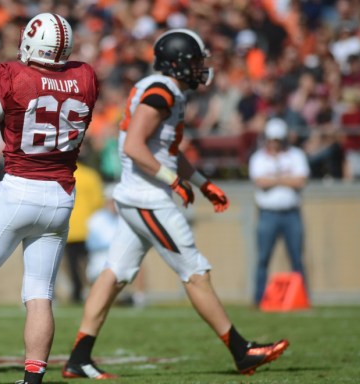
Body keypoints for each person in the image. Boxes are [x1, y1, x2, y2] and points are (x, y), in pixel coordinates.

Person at [62, 29, 289, 380]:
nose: (201, 68)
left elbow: (164, 149)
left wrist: (203, 183)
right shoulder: (160, 92)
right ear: (178, 64)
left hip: (139, 196)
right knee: (195, 271)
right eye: (196, 62)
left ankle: (78, 358)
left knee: (114, 274)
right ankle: (242, 351)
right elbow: (135, 147)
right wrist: (173, 182)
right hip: (147, 199)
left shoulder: (167, 91)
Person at [0, 13, 99, 384]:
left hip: (19, 188)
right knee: (40, 292)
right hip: (61, 196)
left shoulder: (16, 75)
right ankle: (33, 378)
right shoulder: (85, 76)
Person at [248, 117, 309, 306]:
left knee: (297, 258)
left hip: (291, 213)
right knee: (263, 258)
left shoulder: (296, 155)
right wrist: (285, 179)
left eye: (278, 140)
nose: (274, 144)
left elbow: (300, 181)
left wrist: (274, 179)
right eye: (272, 139)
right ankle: (258, 298)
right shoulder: (258, 157)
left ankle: (303, 298)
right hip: (268, 214)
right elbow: (260, 182)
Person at [63, 161, 104, 304]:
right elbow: (98, 202)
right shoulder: (90, 175)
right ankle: (91, 289)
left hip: (69, 226)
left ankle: (77, 291)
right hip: (88, 227)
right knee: (89, 262)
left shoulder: (62, 174)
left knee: (72, 264)